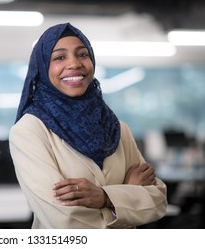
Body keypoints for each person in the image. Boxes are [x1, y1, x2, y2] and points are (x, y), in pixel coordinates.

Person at [9, 22, 167, 229]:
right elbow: (64, 222)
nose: (74, 64)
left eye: (82, 54)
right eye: (59, 57)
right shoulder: (29, 131)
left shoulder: (117, 128)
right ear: (42, 66)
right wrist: (124, 200)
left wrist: (104, 197)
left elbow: (158, 201)